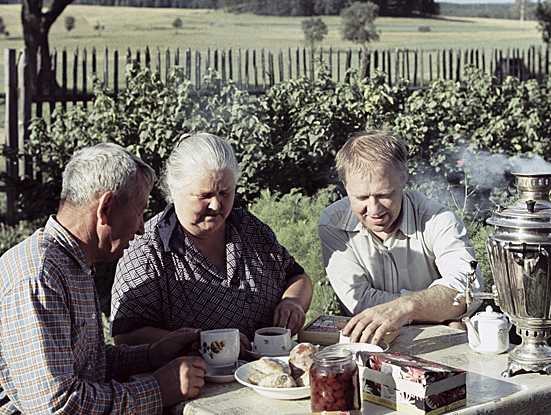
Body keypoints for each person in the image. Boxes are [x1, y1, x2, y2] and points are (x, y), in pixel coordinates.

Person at [0, 143, 207, 414]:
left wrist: (152, 354)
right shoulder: (40, 276)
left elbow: (89, 364)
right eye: (139, 211)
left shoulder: (73, 263)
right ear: (106, 207)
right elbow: (57, 406)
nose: (142, 228)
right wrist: (158, 389)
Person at [110, 132, 313, 357]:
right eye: (204, 195)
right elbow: (126, 335)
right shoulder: (148, 249)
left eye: (225, 193)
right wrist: (204, 341)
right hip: (197, 386)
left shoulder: (248, 228)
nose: (216, 205)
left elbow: (297, 278)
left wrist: (293, 303)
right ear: (174, 189)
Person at [318, 130, 483, 345]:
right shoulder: (333, 222)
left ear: (404, 177)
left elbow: (469, 290)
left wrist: (404, 308)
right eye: (361, 197)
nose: (374, 209)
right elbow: (358, 302)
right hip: (369, 346)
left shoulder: (439, 219)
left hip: (436, 344)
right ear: (344, 184)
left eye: (385, 195)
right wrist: (437, 310)